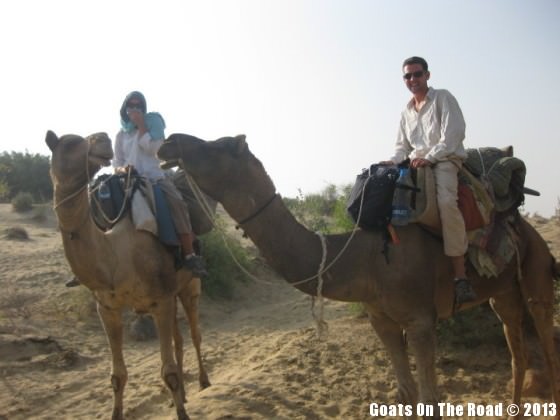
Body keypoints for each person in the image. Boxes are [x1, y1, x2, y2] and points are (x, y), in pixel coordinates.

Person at [381, 56, 476, 304]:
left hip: (445, 160)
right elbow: (402, 146)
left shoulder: (443, 98)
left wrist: (430, 158)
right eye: (408, 76)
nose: (413, 79)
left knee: (446, 203)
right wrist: (393, 161)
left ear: (427, 75)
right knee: (389, 204)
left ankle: (460, 276)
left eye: (417, 74)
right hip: (415, 164)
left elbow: (453, 134)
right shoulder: (406, 112)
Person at [113, 91, 207, 277]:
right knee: (100, 200)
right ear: (125, 109)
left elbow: (155, 150)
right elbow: (117, 162)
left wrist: (142, 127)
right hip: (127, 180)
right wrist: (122, 170)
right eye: (131, 106)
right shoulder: (120, 135)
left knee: (177, 204)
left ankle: (189, 254)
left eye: (139, 106)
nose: (135, 109)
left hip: (155, 177)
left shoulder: (152, 125)